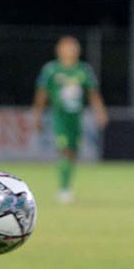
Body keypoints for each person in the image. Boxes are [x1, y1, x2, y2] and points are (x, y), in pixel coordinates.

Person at [30, 36, 108, 204]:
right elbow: (42, 93)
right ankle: (64, 189)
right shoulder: (51, 70)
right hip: (59, 117)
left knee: (72, 152)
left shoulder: (83, 70)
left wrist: (100, 112)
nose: (71, 51)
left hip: (76, 118)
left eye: (74, 47)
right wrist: (37, 114)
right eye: (67, 47)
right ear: (59, 50)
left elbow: (93, 93)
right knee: (64, 150)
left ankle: (66, 186)